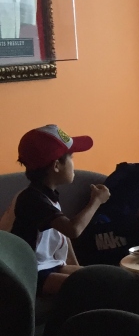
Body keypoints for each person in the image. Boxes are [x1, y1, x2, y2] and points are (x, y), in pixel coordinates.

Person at [12, 124, 110, 296]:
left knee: (106, 278)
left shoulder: (47, 195)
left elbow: (63, 237)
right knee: (93, 289)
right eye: (71, 157)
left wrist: (78, 267)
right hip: (30, 272)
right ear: (56, 165)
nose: (73, 164)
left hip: (51, 265)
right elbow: (73, 230)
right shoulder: (32, 199)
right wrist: (96, 201)